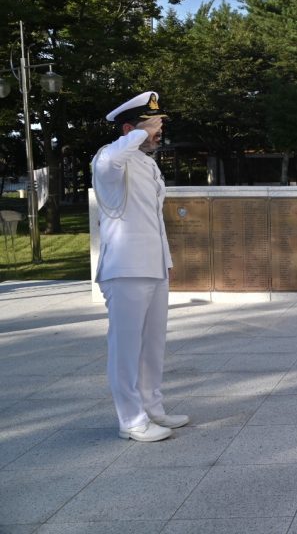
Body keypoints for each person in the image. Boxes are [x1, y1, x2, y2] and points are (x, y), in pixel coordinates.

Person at [92, 91, 188, 442]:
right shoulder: (109, 158)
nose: (158, 132)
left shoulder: (147, 163)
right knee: (126, 347)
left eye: (159, 125)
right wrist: (137, 131)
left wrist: (167, 261)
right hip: (125, 268)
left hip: (152, 266)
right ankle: (131, 420)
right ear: (131, 129)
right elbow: (111, 160)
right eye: (153, 126)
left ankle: (152, 409)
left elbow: (153, 220)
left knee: (153, 345)